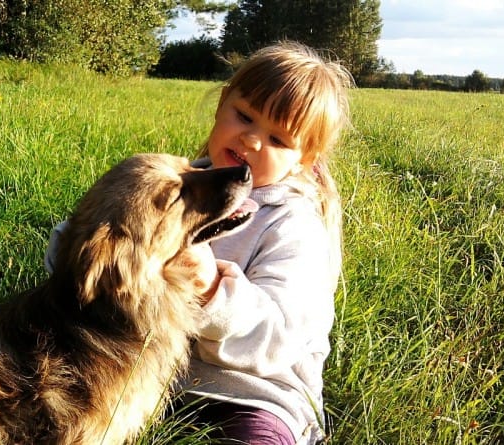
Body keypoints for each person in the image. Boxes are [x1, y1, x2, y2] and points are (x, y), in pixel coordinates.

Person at [45, 41, 352, 444]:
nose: (253, 141)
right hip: (143, 376)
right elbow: (94, 246)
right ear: (222, 103)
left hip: (248, 394)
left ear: (305, 159)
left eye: (278, 140)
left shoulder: (295, 227)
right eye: (244, 116)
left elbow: (281, 341)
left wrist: (212, 290)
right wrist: (80, 253)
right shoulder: (182, 183)